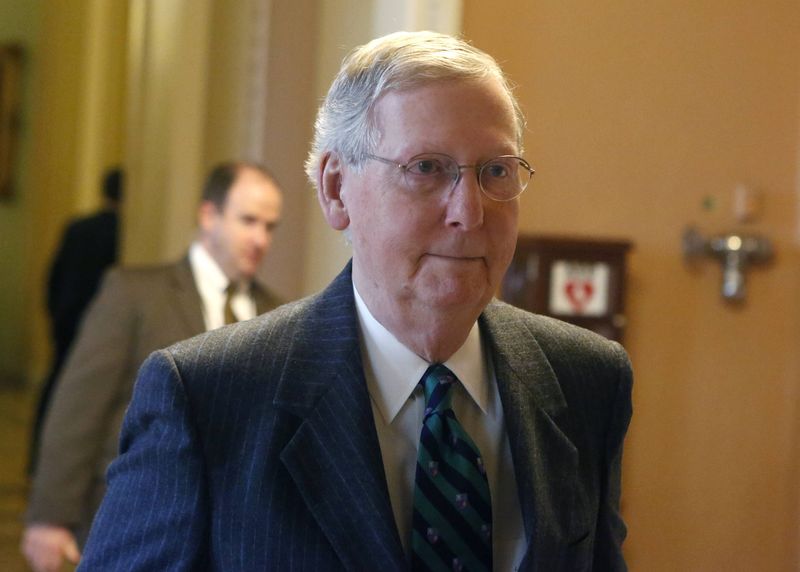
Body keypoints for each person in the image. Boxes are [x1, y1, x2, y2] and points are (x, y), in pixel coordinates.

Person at [78, 31, 633, 571]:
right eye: (427, 168)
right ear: (336, 189)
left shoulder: (586, 380)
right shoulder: (208, 396)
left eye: (496, 171)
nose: (470, 210)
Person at [21, 161, 284, 572]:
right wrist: (50, 516)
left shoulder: (276, 315)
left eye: (270, 227)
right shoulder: (134, 294)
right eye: (248, 221)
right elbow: (79, 408)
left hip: (232, 540)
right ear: (208, 216)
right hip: (135, 524)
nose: (260, 239)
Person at [29, 168, 124, 475]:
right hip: (102, 328)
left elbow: (53, 277)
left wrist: (56, 314)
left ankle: (37, 461)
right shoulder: (124, 232)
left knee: (56, 386)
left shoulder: (78, 227)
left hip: (67, 319)